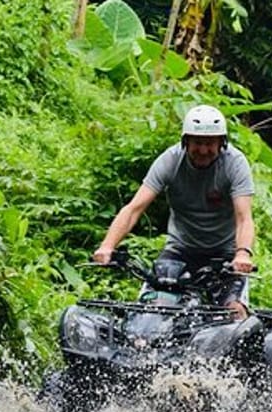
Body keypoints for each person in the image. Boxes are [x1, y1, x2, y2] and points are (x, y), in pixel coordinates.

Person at [92, 104, 256, 320]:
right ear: (185, 141)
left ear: (221, 143)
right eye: (197, 143)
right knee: (150, 309)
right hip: (180, 250)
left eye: (210, 144)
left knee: (234, 311)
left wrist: (243, 253)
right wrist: (107, 246)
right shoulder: (170, 160)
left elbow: (244, 218)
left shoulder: (235, 164)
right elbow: (134, 208)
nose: (203, 150)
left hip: (225, 256)